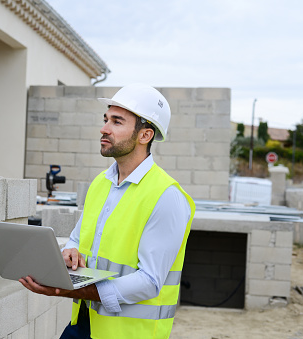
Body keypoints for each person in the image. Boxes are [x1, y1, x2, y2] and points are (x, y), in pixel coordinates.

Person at [19, 84, 195, 339]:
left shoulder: (166, 196)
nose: (104, 128)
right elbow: (78, 240)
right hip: (85, 322)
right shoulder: (101, 183)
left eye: (117, 121)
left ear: (145, 135)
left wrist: (68, 290)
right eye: (105, 119)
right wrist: (70, 253)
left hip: (129, 334)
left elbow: (149, 282)